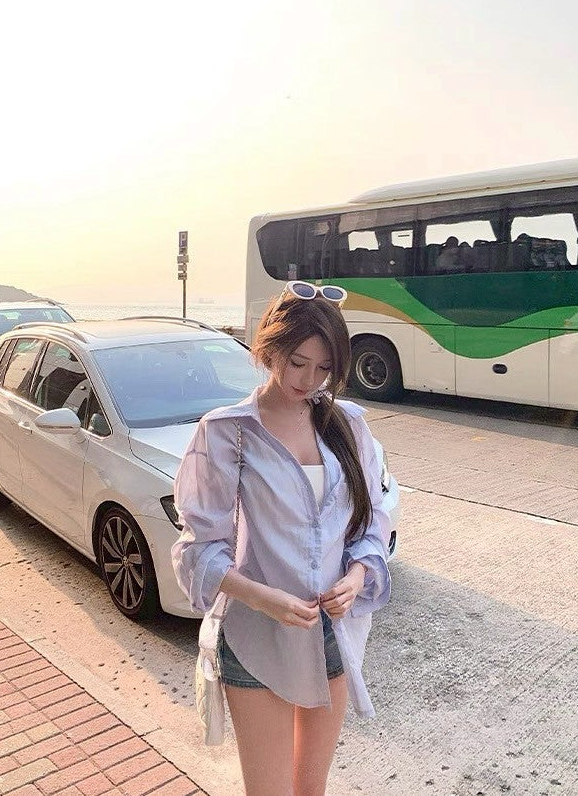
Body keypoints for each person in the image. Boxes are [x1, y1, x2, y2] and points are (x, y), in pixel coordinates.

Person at [171, 282, 392, 796]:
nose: (309, 381)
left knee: (310, 789)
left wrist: (357, 576)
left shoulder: (347, 424)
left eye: (324, 368)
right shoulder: (228, 431)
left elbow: (370, 520)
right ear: (269, 348)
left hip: (331, 634)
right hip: (257, 637)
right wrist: (261, 597)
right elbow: (198, 547)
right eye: (297, 363)